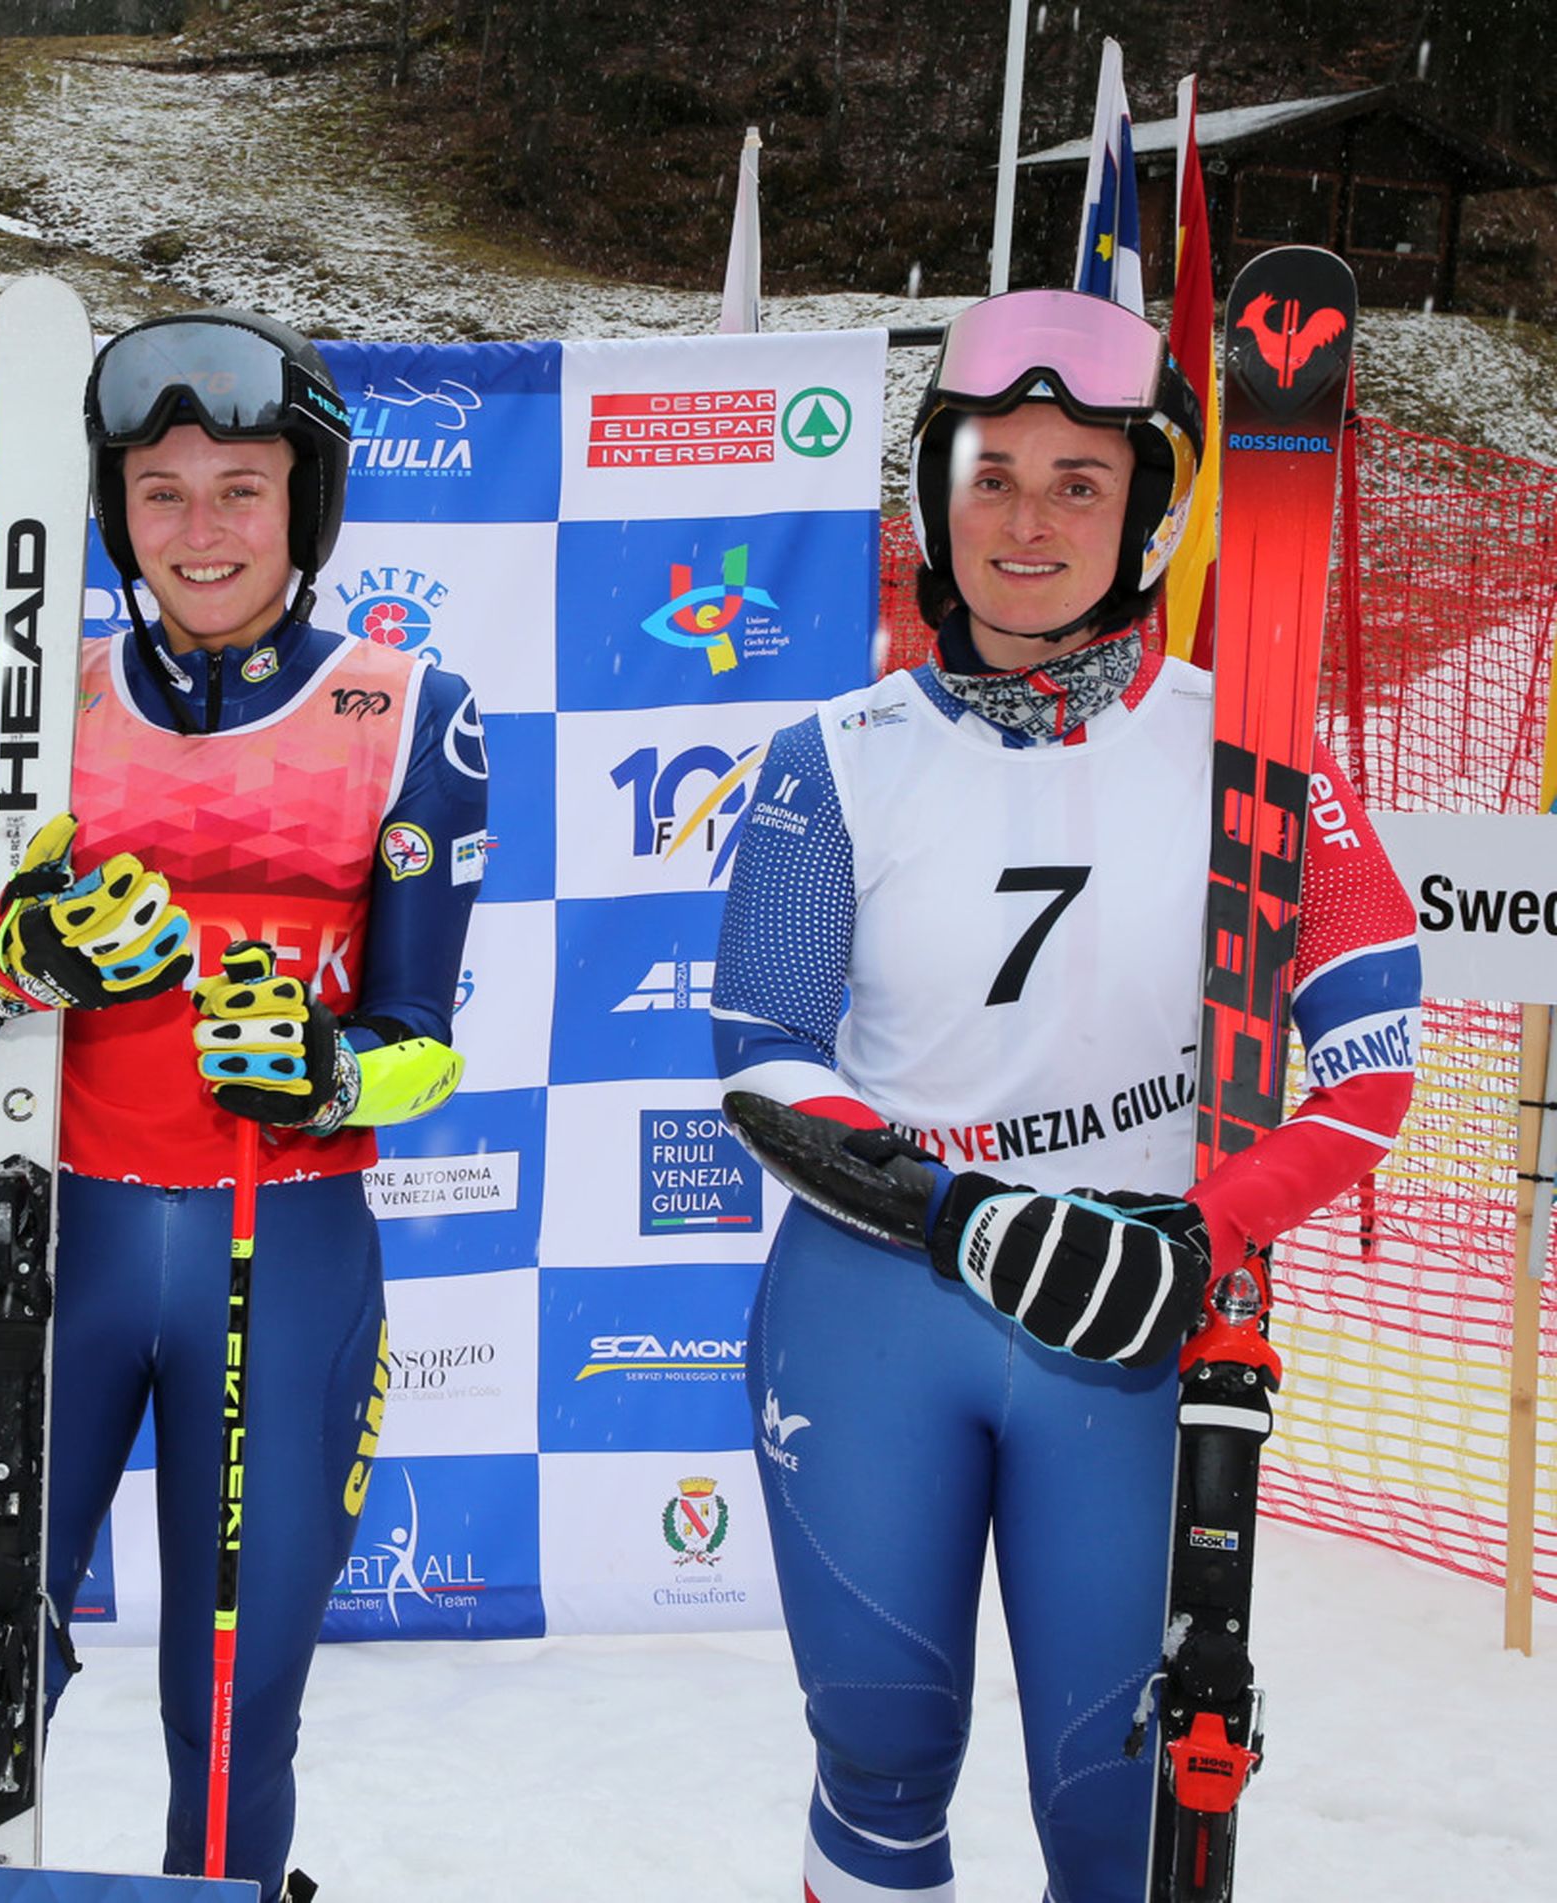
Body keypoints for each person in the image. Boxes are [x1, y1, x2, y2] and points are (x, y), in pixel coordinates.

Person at [712, 289, 1420, 1902]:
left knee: (1119, 1815)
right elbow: (762, 1056)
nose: (1027, 519)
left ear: (1150, 516)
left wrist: (1194, 1232)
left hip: (1135, 1314)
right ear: (931, 505)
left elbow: (1373, 1061)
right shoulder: (837, 754)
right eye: (991, 474)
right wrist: (966, 1218)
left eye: (1078, 482)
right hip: (877, 1302)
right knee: (880, 1757)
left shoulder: (1255, 757)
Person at [0, 309, 490, 1902]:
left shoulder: (413, 711)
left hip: (286, 1249)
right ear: (113, 509)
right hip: (62, 1244)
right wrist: (15, 955)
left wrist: (332, 1068)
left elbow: (425, 1039)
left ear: (306, 507)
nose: (199, 531)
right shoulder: (25, 704)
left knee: (231, 1707)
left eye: (241, 489)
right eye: (162, 492)